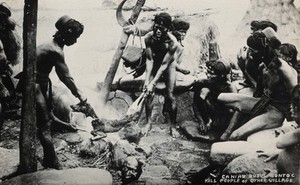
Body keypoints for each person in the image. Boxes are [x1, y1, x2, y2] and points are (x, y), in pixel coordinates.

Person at [218, 27, 298, 140]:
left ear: (264, 50)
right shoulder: (262, 67)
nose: (250, 53)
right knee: (221, 98)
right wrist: (248, 109)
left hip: (278, 111)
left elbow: (296, 95)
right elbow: (258, 92)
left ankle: (230, 135)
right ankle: (224, 127)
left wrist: (291, 123)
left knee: (235, 135)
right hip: (263, 102)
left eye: (254, 49)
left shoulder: (283, 68)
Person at [34, 15, 87, 169]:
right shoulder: (55, 49)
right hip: (34, 85)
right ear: (67, 33)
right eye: (75, 37)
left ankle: (50, 157)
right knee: (44, 125)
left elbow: (60, 73)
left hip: (42, 84)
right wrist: (79, 93)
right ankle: (52, 160)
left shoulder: (55, 45)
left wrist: (68, 126)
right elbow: (65, 76)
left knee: (49, 116)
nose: (75, 41)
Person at [141, 12, 180, 137]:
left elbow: (164, 65)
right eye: (156, 27)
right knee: (148, 92)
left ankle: (173, 126)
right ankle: (148, 123)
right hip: (155, 63)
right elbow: (149, 60)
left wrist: (154, 82)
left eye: (162, 29)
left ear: (168, 29)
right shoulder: (148, 38)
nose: (158, 31)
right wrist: (147, 81)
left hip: (168, 66)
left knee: (171, 95)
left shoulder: (173, 42)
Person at [192, 59, 237, 141]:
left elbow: (235, 111)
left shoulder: (230, 88)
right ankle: (208, 121)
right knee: (204, 91)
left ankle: (217, 127)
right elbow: (195, 103)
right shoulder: (203, 82)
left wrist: (228, 131)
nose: (208, 75)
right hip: (211, 113)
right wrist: (201, 121)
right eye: (208, 72)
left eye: (212, 74)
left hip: (223, 116)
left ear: (222, 75)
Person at [0, 2, 21, 127]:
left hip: (3, 69)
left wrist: (6, 65)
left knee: (10, 95)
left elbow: (5, 55)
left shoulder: (6, 32)